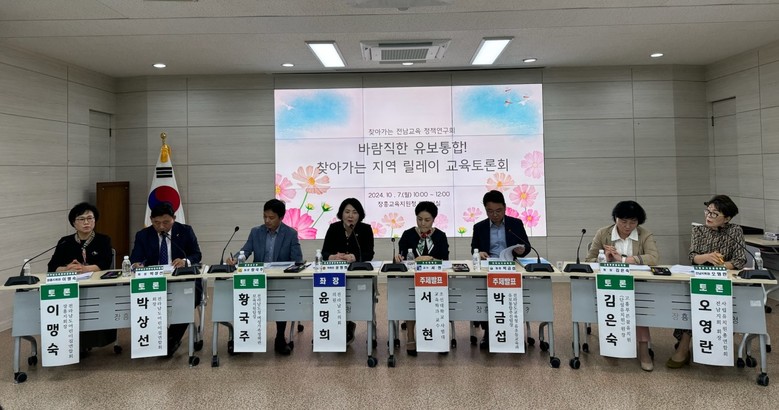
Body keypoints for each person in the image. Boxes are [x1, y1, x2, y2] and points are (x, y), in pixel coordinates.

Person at [667, 194, 746, 369]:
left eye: (714, 214)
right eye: (708, 212)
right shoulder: (699, 230)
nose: (709, 216)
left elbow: (740, 260)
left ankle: (717, 346)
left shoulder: (735, 231)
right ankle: (684, 346)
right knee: (692, 305)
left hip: (725, 282)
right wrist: (707, 257)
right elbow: (693, 257)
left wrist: (720, 265)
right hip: (700, 280)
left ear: (727, 218)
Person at [585, 200, 659, 371]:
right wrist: (605, 258)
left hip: (636, 285)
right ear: (615, 219)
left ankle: (643, 350)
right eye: (623, 221)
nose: (627, 226)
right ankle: (612, 346)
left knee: (638, 309)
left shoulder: (644, 234)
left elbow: (653, 258)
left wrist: (624, 260)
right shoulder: (603, 233)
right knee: (611, 309)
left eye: (633, 222)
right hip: (608, 284)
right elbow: (589, 259)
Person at [226, 199, 303, 355]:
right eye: (264, 216)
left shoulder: (290, 234)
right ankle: (246, 338)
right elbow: (245, 251)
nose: (267, 220)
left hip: (280, 281)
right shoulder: (256, 232)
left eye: (271, 217)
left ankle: (280, 338)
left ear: (281, 217)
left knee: (281, 302)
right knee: (246, 301)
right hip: (258, 279)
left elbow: (297, 260)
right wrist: (235, 259)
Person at [130, 202, 202, 357]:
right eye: (156, 223)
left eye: (166, 222)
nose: (161, 227)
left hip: (183, 281)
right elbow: (135, 258)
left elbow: (196, 254)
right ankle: (152, 336)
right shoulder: (143, 235)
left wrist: (185, 261)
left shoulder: (185, 231)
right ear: (151, 220)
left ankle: (171, 340)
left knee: (187, 299)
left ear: (174, 218)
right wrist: (137, 264)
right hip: (154, 282)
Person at [48, 202, 115, 355]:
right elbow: (52, 266)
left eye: (90, 218)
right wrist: (67, 269)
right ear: (74, 223)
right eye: (81, 219)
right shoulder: (65, 242)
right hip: (71, 286)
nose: (86, 222)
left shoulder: (103, 240)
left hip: (96, 286)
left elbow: (105, 264)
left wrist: (84, 269)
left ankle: (88, 343)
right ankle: (71, 341)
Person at [470, 190, 531, 349]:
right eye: (490, 211)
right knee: (486, 297)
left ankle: (515, 332)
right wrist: (479, 253)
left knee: (513, 297)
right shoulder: (479, 227)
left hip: (511, 267)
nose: (495, 215)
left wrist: (521, 250)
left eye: (498, 211)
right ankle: (488, 332)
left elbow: (527, 246)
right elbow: (474, 249)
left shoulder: (515, 224)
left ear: (505, 207)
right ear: (485, 210)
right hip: (489, 269)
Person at [393, 201, 450, 356]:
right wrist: (399, 259)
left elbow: (445, 260)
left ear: (433, 220)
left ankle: (439, 338)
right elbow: (402, 258)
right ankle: (411, 338)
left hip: (435, 281)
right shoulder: (408, 234)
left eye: (427, 220)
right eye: (419, 219)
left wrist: (429, 259)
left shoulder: (440, 236)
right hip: (412, 281)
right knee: (411, 301)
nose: (423, 223)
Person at [322, 198, 375, 345]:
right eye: (347, 212)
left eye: (354, 212)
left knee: (356, 299)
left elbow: (369, 254)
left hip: (357, 274)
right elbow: (325, 252)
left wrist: (355, 257)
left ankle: (350, 325)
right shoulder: (334, 228)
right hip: (336, 274)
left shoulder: (365, 229)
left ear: (360, 215)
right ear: (341, 213)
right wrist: (332, 257)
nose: (350, 215)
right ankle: (332, 328)